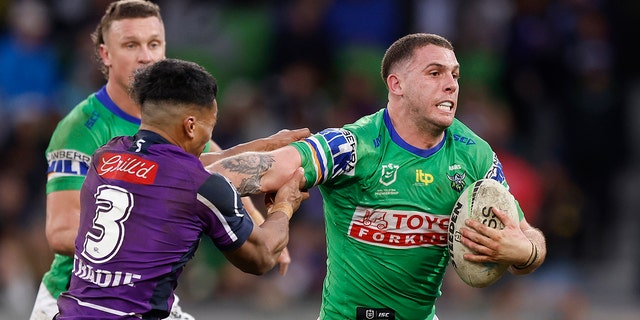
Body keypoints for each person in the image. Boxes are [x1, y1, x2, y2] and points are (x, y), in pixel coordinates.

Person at [209, 33, 547, 320]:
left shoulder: (474, 155)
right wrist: (189, 178)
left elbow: (528, 236)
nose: (450, 85)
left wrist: (526, 252)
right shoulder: (354, 146)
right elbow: (272, 166)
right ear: (396, 84)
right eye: (435, 73)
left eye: (455, 76)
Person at [30, 1, 309, 319]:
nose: (146, 56)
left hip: (143, 293)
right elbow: (60, 232)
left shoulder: (157, 125)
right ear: (106, 55)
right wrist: (146, 225)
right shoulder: (82, 129)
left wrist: (263, 158)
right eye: (131, 45)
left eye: (154, 44)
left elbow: (199, 172)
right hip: (75, 293)